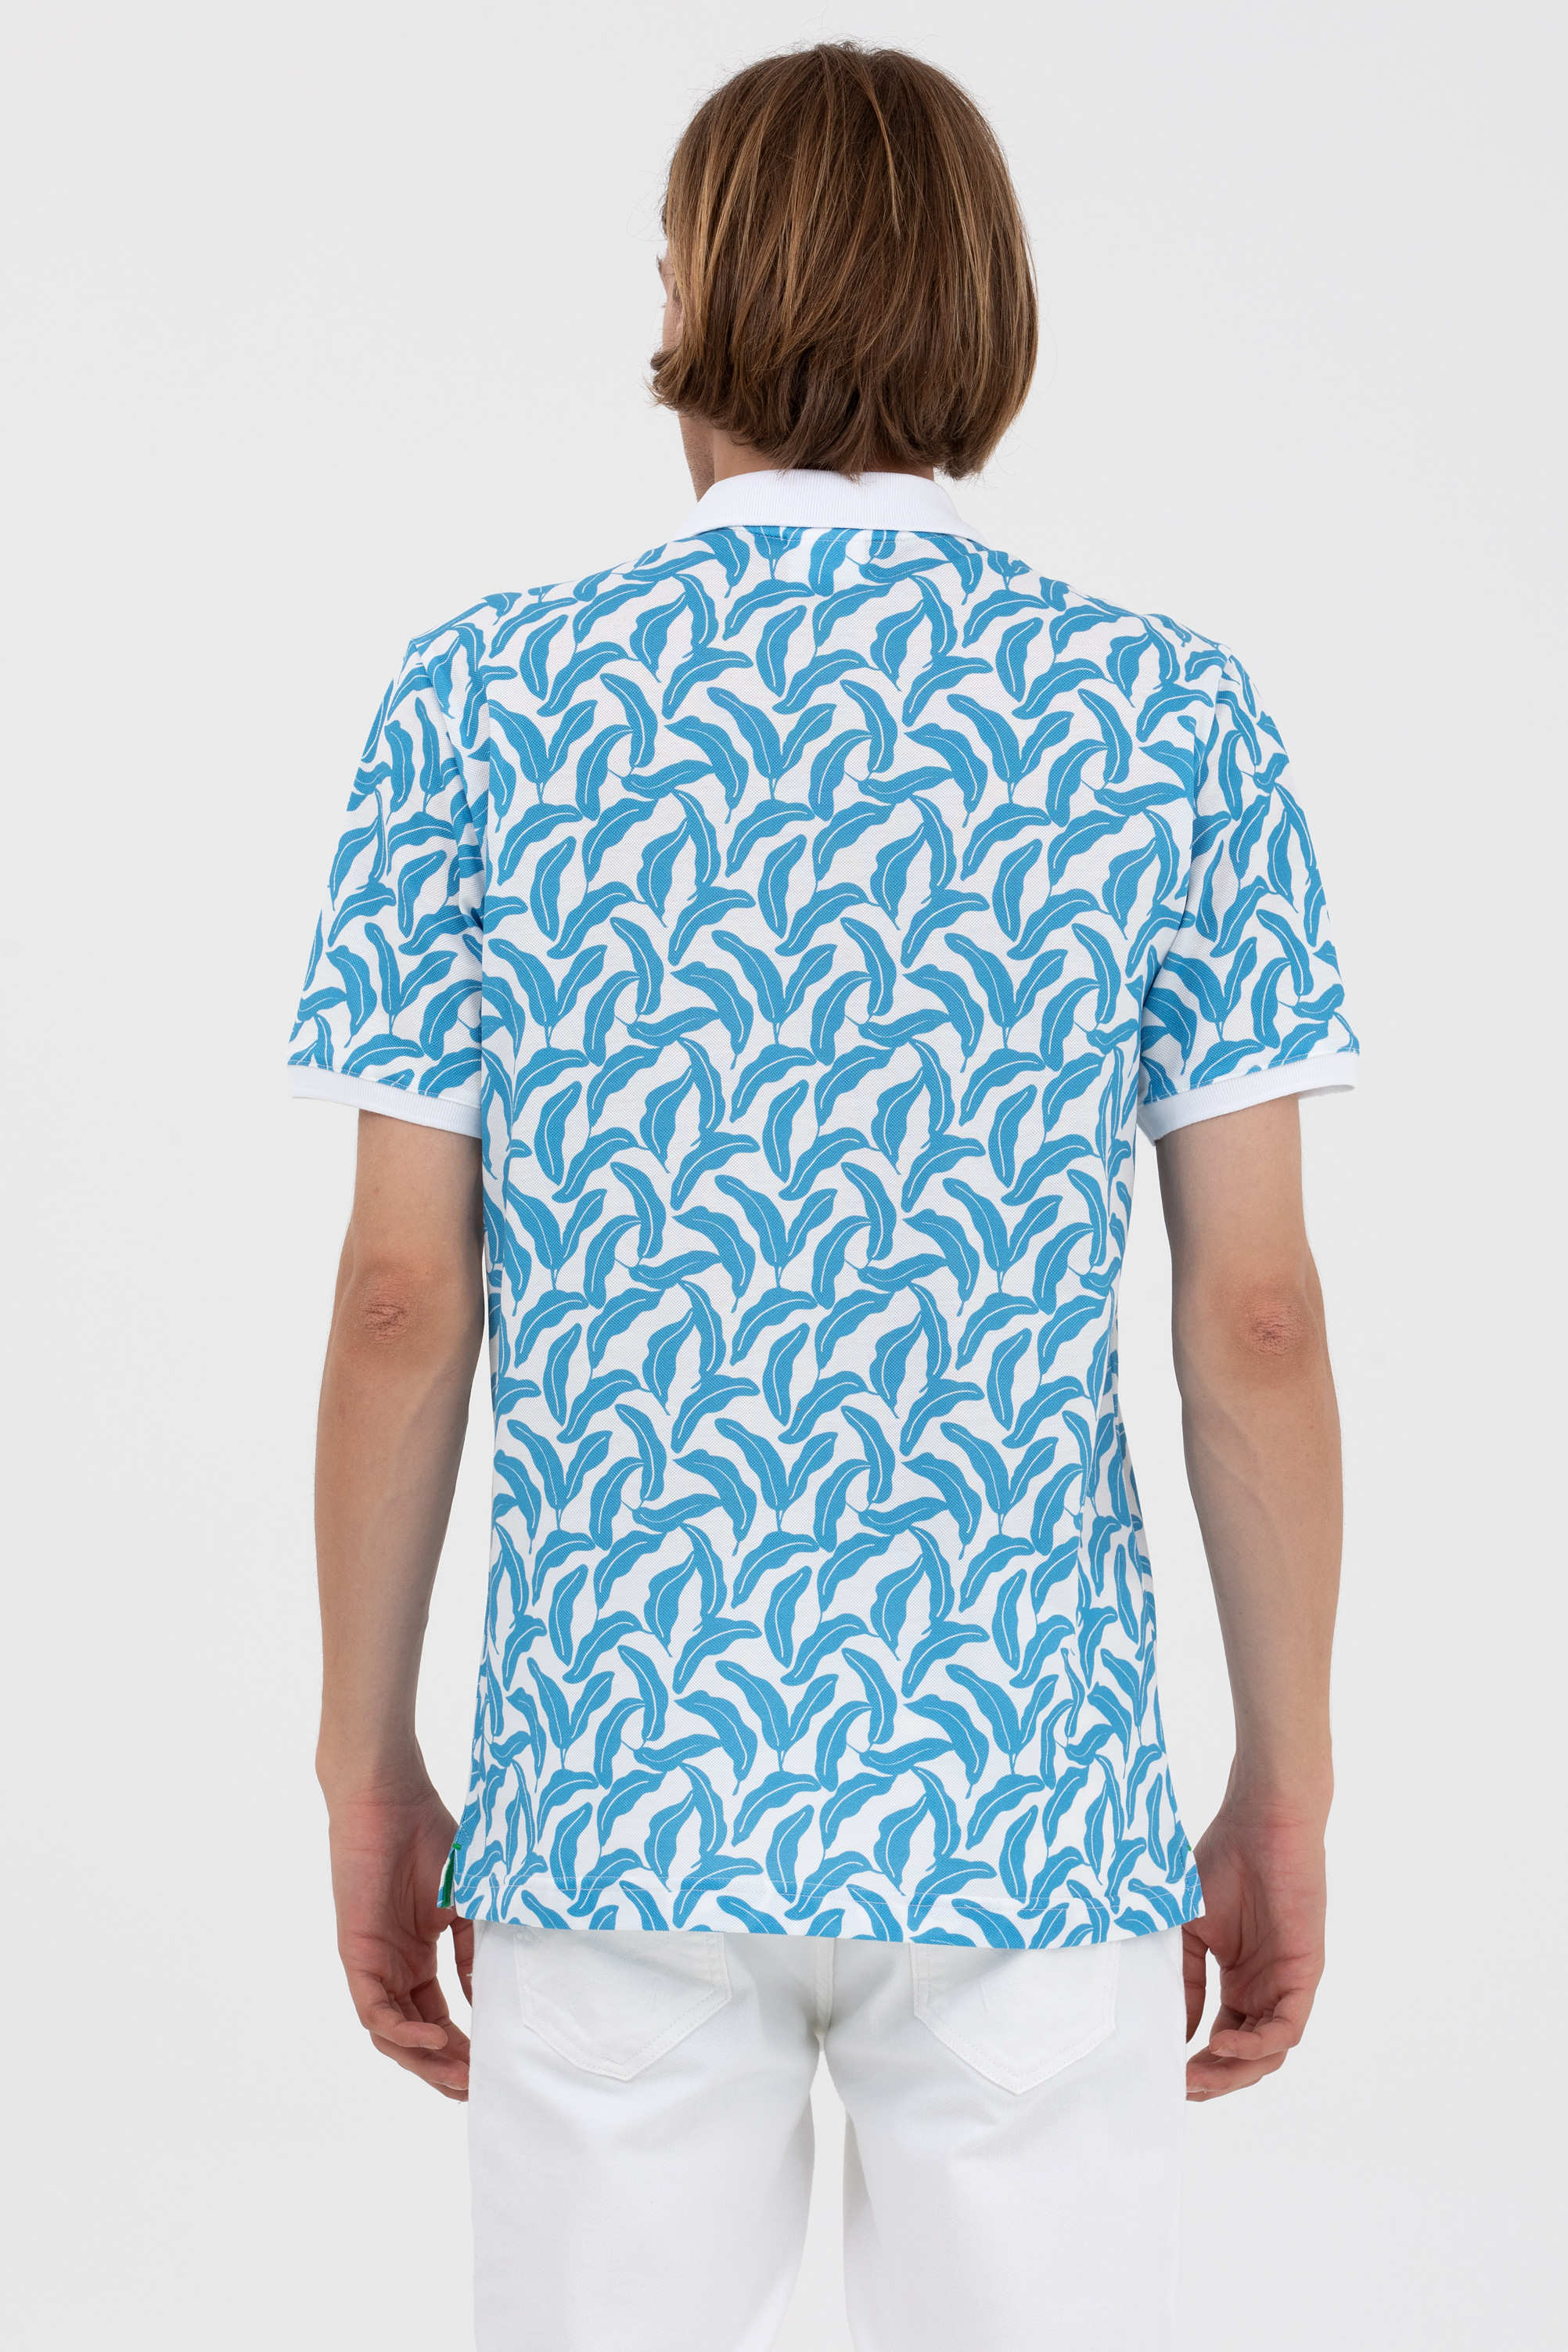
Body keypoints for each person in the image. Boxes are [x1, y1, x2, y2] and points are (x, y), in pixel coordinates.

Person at [290, 40, 1355, 2352]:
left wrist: (368, 1759)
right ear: (989, 312)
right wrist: (1280, 1785)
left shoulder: (480, 706)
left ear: (694, 297)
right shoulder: (1167, 719)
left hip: (616, 1784)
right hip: (1026, 1789)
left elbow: (399, 1297)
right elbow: (1253, 1317)